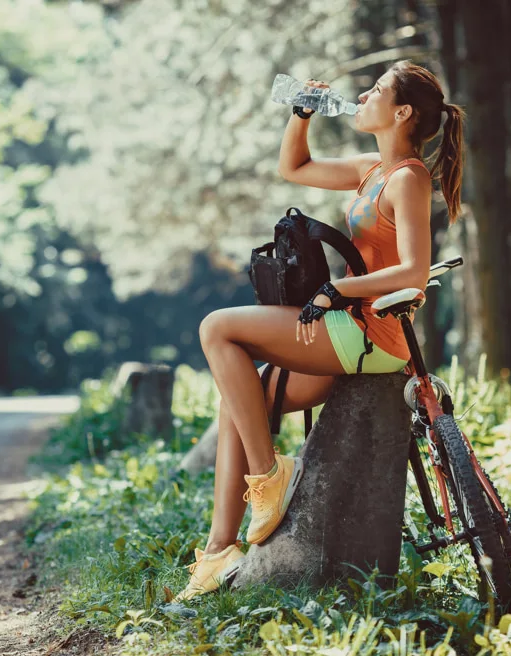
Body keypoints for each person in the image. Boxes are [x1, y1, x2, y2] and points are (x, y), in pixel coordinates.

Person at [175, 60, 466, 602]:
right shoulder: (369, 170)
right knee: (240, 403)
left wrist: (340, 291)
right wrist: (301, 113)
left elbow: (414, 271)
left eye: (376, 90)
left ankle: (269, 476)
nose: (363, 95)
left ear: (401, 112)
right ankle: (219, 552)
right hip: (345, 327)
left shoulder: (407, 178)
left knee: (217, 328)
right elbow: (296, 166)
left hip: (369, 333)